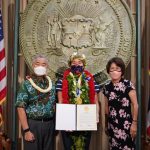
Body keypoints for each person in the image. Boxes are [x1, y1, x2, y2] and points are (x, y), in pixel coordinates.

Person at [56, 52, 100, 150]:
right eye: (74, 62)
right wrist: (63, 120)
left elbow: (95, 100)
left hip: (85, 117)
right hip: (68, 118)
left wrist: (96, 115)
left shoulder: (91, 80)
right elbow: (60, 101)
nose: (76, 65)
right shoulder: (62, 80)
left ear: (84, 65)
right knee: (68, 146)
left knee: (84, 146)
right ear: (70, 64)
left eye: (79, 62)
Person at [16, 54, 56, 150]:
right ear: (33, 65)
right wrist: (26, 130)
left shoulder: (52, 85)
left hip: (49, 125)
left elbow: (55, 105)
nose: (40, 66)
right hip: (33, 125)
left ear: (47, 67)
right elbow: (20, 108)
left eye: (43, 64)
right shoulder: (26, 84)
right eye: (37, 63)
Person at [103, 57, 138, 150]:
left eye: (117, 69)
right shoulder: (106, 87)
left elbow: (135, 105)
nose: (115, 71)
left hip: (126, 125)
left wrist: (134, 124)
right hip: (112, 125)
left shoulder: (128, 84)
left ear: (122, 70)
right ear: (108, 71)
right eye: (112, 69)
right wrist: (106, 124)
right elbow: (106, 107)